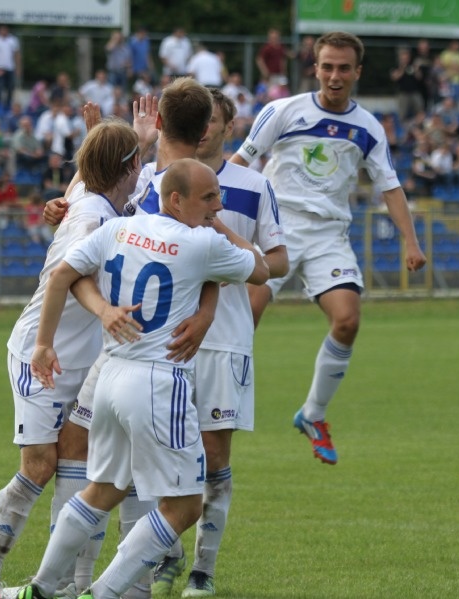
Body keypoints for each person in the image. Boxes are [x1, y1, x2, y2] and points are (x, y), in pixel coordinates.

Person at [15, 157, 269, 599]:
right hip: (159, 382)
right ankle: (105, 592)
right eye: (209, 196)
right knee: (186, 505)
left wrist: (43, 344)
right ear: (176, 199)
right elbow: (262, 270)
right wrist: (220, 227)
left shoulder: (119, 230)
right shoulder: (203, 242)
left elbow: (62, 276)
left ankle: (39, 588)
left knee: (104, 489)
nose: (219, 203)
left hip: (110, 375)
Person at [0, 119, 147, 599]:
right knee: (39, 465)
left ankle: (69, 585)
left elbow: (88, 179)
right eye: (138, 161)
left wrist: (134, 139)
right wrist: (54, 339)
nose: (143, 167)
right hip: (41, 353)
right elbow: (66, 276)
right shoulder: (90, 217)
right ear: (128, 168)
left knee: (79, 458)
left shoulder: (99, 203)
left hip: (82, 355)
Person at [230, 31, 427, 465]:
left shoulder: (369, 127)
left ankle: (313, 414)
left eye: (343, 68)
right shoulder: (282, 111)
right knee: (243, 320)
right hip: (276, 230)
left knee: (347, 321)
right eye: (327, 67)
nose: (334, 76)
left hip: (328, 236)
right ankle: (215, 410)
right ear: (315, 68)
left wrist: (411, 242)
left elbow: (390, 187)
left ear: (357, 72)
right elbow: (238, 165)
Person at [148, 88, 288, 598]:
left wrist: (220, 229)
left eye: (214, 120)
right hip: (162, 339)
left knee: (214, 454)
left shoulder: (253, 186)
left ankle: (203, 571)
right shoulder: (158, 182)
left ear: (228, 127)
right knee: (162, 451)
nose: (205, 128)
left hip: (225, 339)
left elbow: (277, 263)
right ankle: (165, 555)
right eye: (199, 120)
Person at [0, 24, 21, 110]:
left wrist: (18, 68)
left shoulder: (13, 40)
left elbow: (17, 55)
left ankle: (8, 105)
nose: (4, 31)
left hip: (10, 67)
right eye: (2, 29)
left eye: (5, 29)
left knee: (10, 87)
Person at [390, 47, 424, 123]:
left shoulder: (413, 65)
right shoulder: (396, 66)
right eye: (403, 56)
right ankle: (402, 131)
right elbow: (394, 77)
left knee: (420, 112)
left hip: (415, 92)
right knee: (402, 114)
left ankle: (420, 128)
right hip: (403, 93)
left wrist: (416, 69)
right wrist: (402, 68)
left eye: (407, 56)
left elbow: (419, 78)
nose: (405, 58)